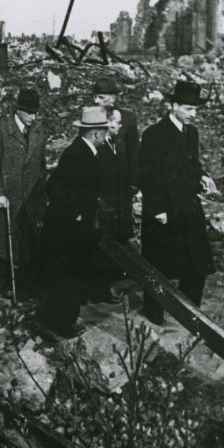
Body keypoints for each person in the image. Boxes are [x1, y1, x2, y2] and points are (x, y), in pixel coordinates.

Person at [138, 80, 217, 326]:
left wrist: (203, 176)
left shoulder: (191, 132)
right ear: (173, 106)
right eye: (188, 109)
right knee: (158, 263)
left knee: (196, 260)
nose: (193, 115)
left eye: (195, 110)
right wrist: (157, 210)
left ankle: (190, 312)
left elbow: (192, 164)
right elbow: (147, 176)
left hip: (188, 204)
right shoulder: (154, 134)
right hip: (163, 208)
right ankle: (154, 313)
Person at [38, 107, 109, 337]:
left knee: (74, 275)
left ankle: (61, 319)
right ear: (96, 133)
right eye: (104, 132)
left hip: (77, 227)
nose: (106, 137)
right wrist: (74, 213)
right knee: (67, 276)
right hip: (68, 229)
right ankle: (57, 324)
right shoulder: (76, 154)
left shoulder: (86, 152)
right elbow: (54, 188)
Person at [0, 87, 48, 293]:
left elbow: (41, 165)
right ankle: (0, 291)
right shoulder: (1, 129)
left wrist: (41, 192)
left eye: (35, 112)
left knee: (28, 245)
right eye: (29, 112)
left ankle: (25, 290)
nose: (33, 116)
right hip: (7, 197)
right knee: (3, 247)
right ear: (18, 110)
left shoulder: (37, 130)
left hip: (30, 197)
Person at [90, 107, 133, 303]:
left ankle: (110, 284)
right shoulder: (98, 148)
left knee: (115, 245)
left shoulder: (117, 144)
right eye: (116, 122)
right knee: (101, 250)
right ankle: (99, 290)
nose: (120, 126)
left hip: (118, 204)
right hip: (104, 207)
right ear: (106, 123)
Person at [92, 76, 140, 188]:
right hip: (99, 180)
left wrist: (134, 181)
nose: (96, 100)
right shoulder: (89, 117)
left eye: (100, 97)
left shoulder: (128, 117)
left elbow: (134, 152)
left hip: (122, 181)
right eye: (95, 97)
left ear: (113, 98)